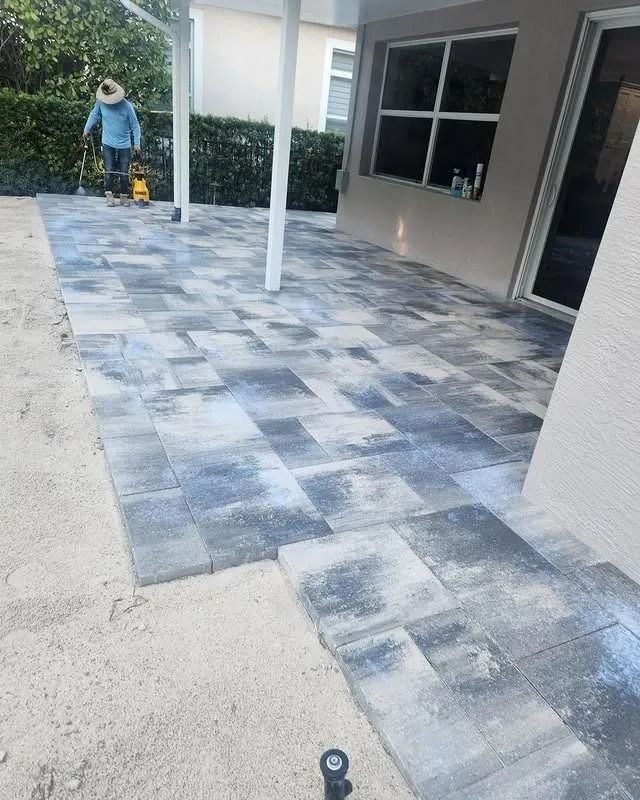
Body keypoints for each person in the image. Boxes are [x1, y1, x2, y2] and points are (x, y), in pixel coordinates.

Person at [83, 79, 141, 207]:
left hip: (124, 144)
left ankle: (124, 196)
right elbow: (94, 115)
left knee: (124, 172)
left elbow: (135, 126)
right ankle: (109, 195)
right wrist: (86, 129)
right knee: (109, 170)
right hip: (108, 142)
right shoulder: (101, 103)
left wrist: (137, 143)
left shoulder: (127, 106)